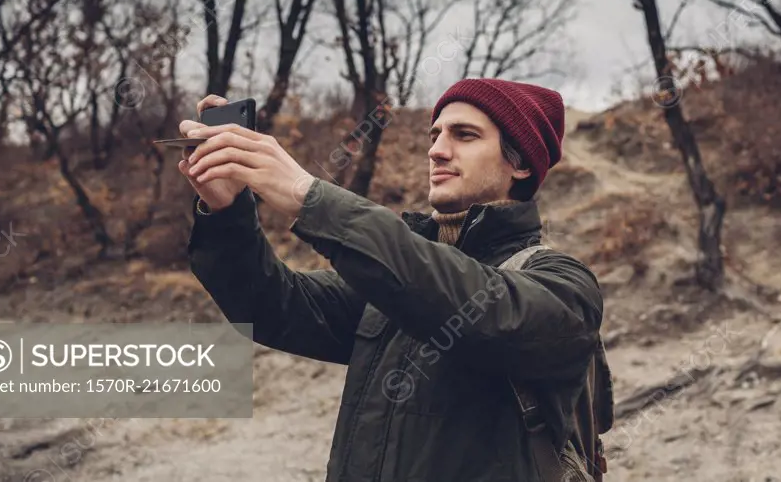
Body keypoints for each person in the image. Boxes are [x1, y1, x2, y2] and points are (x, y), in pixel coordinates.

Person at [179, 78, 604, 482]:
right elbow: (274, 306)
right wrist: (228, 210)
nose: (437, 150)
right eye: (434, 135)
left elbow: (475, 306)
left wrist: (308, 196)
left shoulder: (563, 284)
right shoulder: (393, 277)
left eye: (464, 135)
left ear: (523, 164)